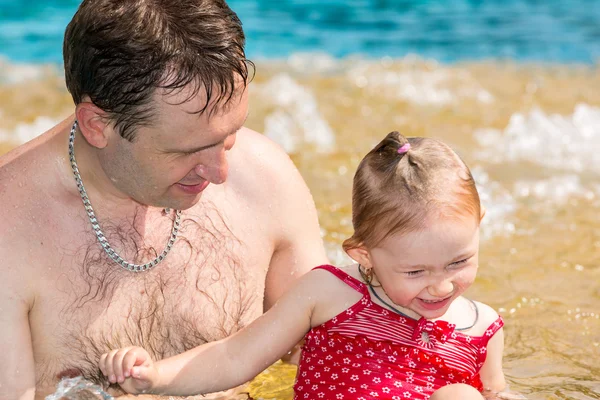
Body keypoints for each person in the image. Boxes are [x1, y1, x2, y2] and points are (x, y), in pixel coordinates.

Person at [0, 0, 327, 399]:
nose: (220, 172)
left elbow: (340, 358)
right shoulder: (11, 234)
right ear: (97, 126)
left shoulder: (266, 181)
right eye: (185, 152)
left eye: (229, 138)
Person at [98, 131, 510, 400]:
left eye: (458, 261)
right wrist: (157, 376)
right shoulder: (329, 294)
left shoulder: (482, 328)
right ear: (362, 254)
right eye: (416, 272)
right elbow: (236, 355)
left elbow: (498, 392)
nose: (440, 286)